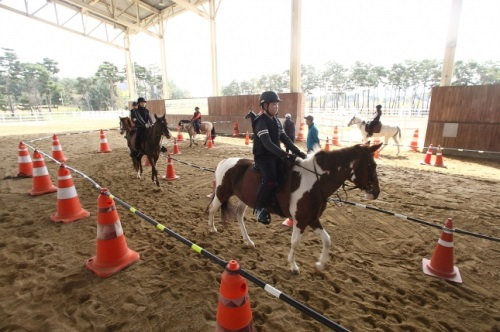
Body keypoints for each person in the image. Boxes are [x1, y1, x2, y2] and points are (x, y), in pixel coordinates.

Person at [252, 91, 307, 225]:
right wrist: (286, 155)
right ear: (265, 106)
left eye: (277, 104)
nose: (277, 107)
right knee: (270, 178)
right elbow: (267, 143)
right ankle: (260, 207)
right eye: (274, 104)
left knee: (288, 171)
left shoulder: (276, 121)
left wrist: (300, 153)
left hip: (275, 154)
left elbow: (286, 140)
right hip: (263, 156)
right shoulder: (260, 121)